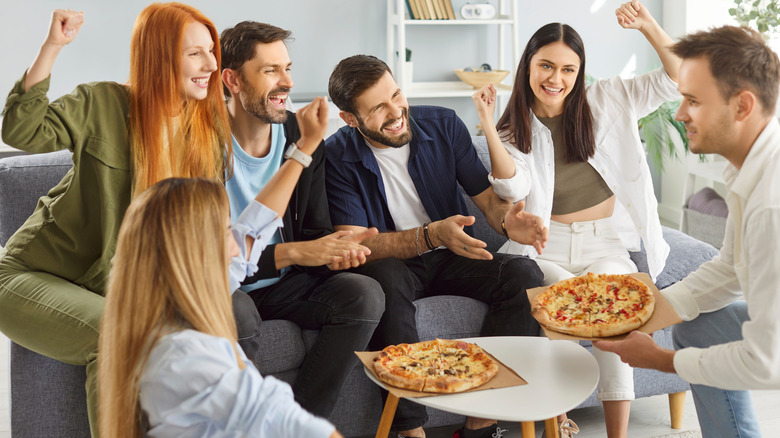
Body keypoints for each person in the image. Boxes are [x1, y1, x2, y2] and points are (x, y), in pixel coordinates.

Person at [1, 4, 227, 435]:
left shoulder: (203, 134)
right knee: (117, 338)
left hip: (111, 292)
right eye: (195, 53)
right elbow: (20, 131)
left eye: (211, 52)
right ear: (160, 55)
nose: (211, 65)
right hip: (26, 276)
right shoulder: (103, 103)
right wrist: (53, 46)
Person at [473, 2, 680, 436]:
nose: (556, 79)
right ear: (527, 65)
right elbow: (511, 189)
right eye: (546, 66)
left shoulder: (608, 99)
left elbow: (678, 79)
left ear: (580, 72)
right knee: (549, 305)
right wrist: (489, 127)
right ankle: (556, 419)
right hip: (546, 246)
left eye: (568, 69)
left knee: (613, 318)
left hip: (605, 243)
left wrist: (647, 25)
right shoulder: (515, 130)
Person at [325, 54, 548, 438]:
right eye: (379, 108)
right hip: (393, 264)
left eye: (396, 95)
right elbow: (354, 244)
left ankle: (481, 420)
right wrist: (429, 235)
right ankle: (410, 430)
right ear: (350, 119)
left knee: (524, 274)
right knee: (384, 284)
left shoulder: (443, 124)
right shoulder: (336, 156)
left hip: (451, 255)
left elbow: (490, 203)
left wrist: (509, 223)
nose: (397, 112)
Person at [595, 25, 780, 438]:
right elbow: (729, 270)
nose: (679, 114)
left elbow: (769, 362)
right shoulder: (747, 170)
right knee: (698, 326)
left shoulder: (771, 202)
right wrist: (644, 317)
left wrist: (661, 360)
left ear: (742, 106)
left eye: (693, 101)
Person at [219, 21, 384, 418]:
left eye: (288, 68)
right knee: (235, 311)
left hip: (284, 283)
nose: (286, 82)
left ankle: (302, 422)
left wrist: (335, 250)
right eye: (270, 71)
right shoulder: (203, 142)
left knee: (363, 294)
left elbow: (314, 230)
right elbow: (211, 259)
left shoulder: (301, 132)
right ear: (232, 80)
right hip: (224, 283)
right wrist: (297, 251)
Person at [98, 175, 342, 438]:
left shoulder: (167, 307)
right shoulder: (186, 353)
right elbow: (277, 418)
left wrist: (304, 150)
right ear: (194, 252)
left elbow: (253, 229)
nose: (236, 248)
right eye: (227, 232)